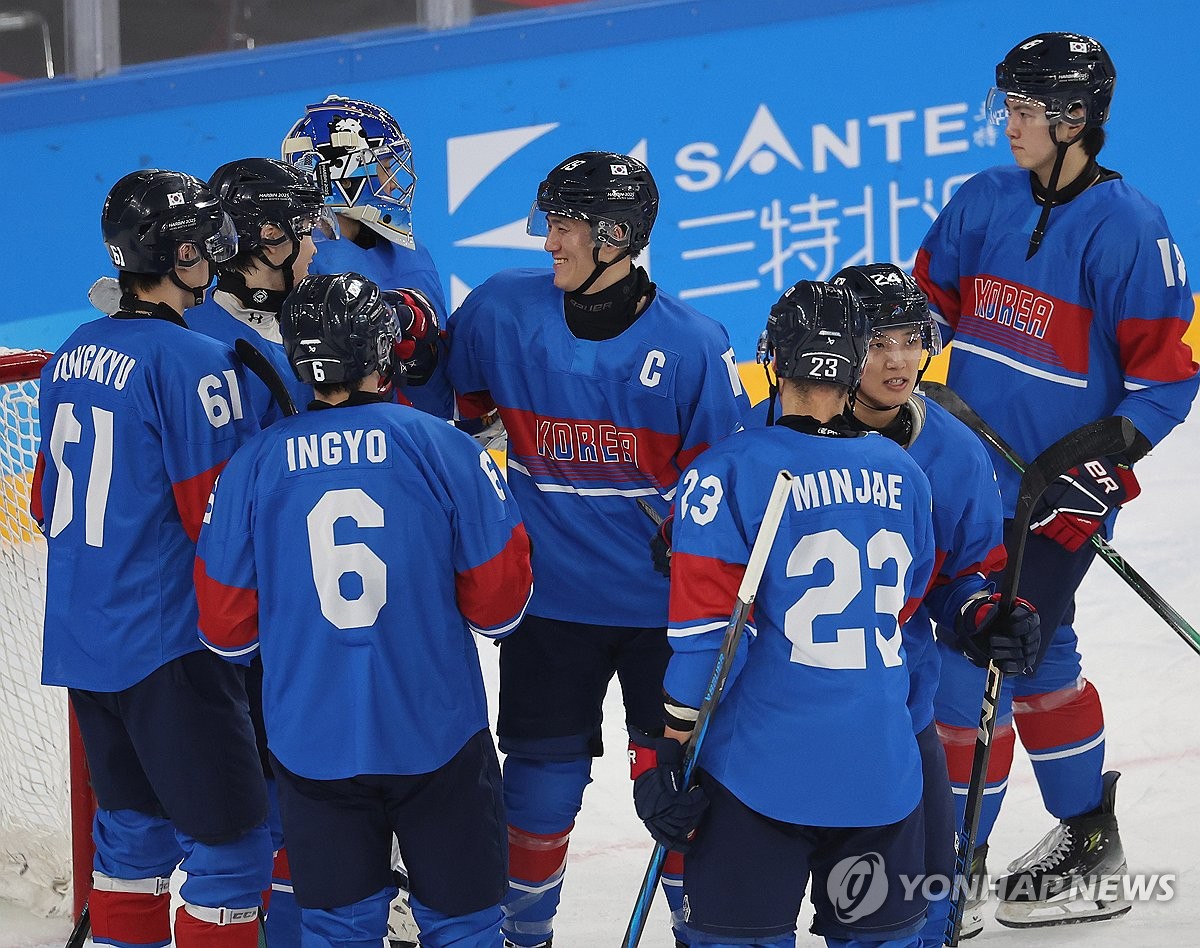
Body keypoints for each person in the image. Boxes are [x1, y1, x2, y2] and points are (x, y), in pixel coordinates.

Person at [914, 31, 1200, 931]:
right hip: (965, 478)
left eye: (1027, 108)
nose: (1010, 123)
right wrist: (902, 345)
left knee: (972, 666)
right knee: (1040, 655)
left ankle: (953, 866)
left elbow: (1168, 378)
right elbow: (932, 303)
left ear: (1076, 118)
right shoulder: (984, 199)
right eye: (1009, 105)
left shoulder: (1130, 227)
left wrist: (1101, 455)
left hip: (1062, 491)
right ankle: (1089, 835)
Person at [446, 151, 749, 947]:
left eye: (566, 227)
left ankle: (705, 932)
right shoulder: (499, 311)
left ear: (617, 236)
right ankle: (523, 938)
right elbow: (452, 411)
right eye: (550, 223)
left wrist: (694, 535)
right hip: (550, 607)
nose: (550, 242)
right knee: (539, 790)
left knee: (681, 790)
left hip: (669, 618)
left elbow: (732, 480)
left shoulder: (693, 346)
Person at [194, 271, 534, 948]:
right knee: (465, 929)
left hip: (311, 742)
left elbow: (224, 630)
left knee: (337, 930)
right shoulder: (448, 450)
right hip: (435, 734)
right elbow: (501, 610)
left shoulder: (250, 467)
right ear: (384, 353)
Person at [631, 280, 936, 947]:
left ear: (776, 358)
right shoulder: (903, 472)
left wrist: (671, 746)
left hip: (761, 772)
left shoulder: (728, 470)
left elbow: (711, 639)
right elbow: (909, 599)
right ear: (855, 364)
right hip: (880, 767)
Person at [35, 169, 271, 948]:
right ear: (171, 254)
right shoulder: (195, 361)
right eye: (202, 239)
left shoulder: (70, 353)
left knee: (132, 844)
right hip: (170, 648)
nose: (214, 250)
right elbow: (219, 523)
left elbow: (43, 505)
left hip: (83, 644)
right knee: (233, 852)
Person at [830, 263, 1039, 946]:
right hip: (779, 709)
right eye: (875, 341)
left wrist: (985, 616)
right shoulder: (773, 431)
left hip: (896, 706)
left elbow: (967, 577)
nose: (897, 360)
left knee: (913, 913)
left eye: (909, 338)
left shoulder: (953, 450)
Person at [282, 94, 455, 420]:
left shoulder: (411, 250)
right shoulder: (300, 264)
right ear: (344, 177)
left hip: (421, 432)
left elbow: (439, 377)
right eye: (385, 167)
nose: (393, 183)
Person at [189, 156, 337, 426]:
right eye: (304, 230)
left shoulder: (192, 324)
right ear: (270, 236)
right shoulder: (202, 350)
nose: (314, 249)